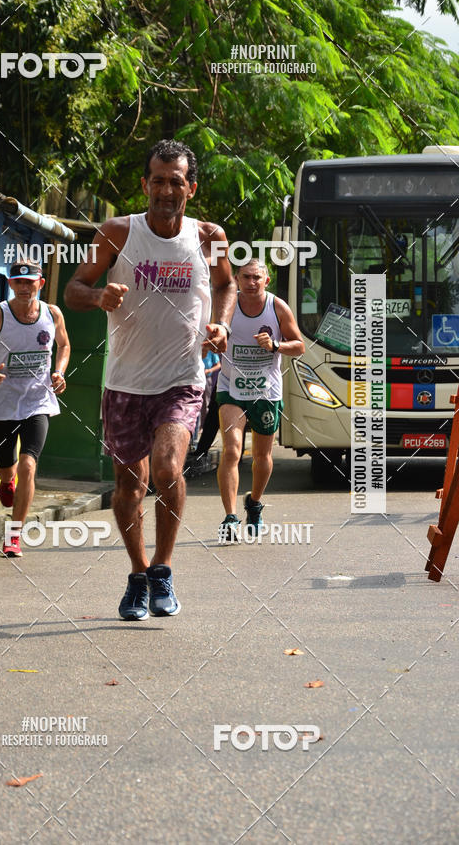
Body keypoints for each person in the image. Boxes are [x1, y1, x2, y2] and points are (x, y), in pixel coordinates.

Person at [65, 139, 236, 619]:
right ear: (144, 185)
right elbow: (73, 289)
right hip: (124, 382)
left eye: (175, 181)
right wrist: (99, 298)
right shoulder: (117, 233)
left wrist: (220, 322)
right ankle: (138, 573)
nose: (166, 189)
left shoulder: (209, 236)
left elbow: (223, 283)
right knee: (129, 483)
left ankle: (163, 568)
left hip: (182, 378)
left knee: (166, 469)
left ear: (191, 187)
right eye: (157, 180)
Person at [0, 260, 70, 557]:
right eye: (19, 282)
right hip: (4, 403)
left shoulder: (52, 314)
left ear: (41, 282)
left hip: (38, 401)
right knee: (6, 469)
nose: (25, 287)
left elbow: (63, 345)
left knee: (28, 465)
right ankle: (6, 480)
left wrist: (59, 371)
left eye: (30, 281)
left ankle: (14, 535)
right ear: (10, 283)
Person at [216, 259, 304, 542]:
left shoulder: (277, 307)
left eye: (257, 278)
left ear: (267, 281)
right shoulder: (227, 306)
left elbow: (299, 346)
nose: (251, 283)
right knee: (231, 451)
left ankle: (254, 502)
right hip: (231, 388)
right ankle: (230, 517)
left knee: (262, 457)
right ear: (237, 280)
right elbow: (212, 332)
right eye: (245, 277)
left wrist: (275, 345)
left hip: (266, 391)